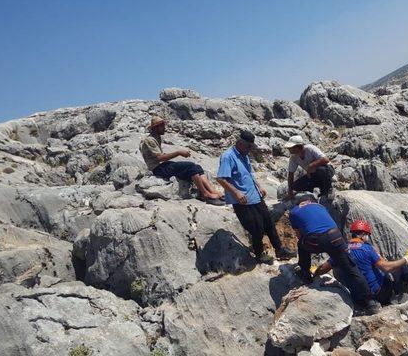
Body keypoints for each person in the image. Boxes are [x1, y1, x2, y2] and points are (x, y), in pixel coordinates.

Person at [289, 193, 378, 314]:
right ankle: (370, 303)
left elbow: (299, 235)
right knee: (352, 269)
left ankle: (306, 275)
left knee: (302, 244)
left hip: (316, 240)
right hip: (336, 236)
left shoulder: (294, 211)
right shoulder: (320, 206)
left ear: (300, 203)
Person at [216, 130, 296, 264]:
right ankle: (259, 255)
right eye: (248, 146)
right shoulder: (227, 157)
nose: (250, 150)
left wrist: (259, 186)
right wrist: (236, 193)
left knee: (268, 222)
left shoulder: (244, 155)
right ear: (240, 143)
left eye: (251, 147)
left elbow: (249, 174)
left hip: (255, 196)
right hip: (242, 200)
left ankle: (279, 250)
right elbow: (221, 179)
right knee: (256, 228)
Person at [314, 220, 408, 305]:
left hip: (357, 298)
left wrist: (314, 272)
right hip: (378, 294)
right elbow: (386, 268)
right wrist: (406, 259)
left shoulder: (341, 250)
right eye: (367, 235)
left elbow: (323, 268)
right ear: (364, 235)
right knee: (400, 269)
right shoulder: (367, 249)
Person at [140, 116, 224, 206]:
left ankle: (212, 191)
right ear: (156, 127)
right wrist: (178, 153)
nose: (164, 128)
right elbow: (160, 158)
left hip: (162, 165)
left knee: (197, 167)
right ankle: (205, 194)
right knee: (190, 166)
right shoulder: (150, 140)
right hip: (157, 169)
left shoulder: (156, 137)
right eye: (162, 126)